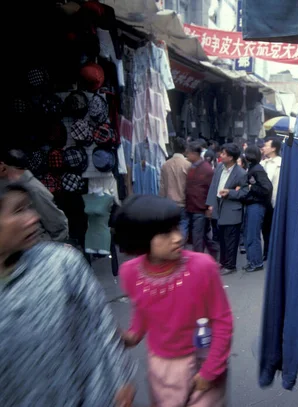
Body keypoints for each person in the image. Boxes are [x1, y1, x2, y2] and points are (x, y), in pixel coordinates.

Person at [0, 183, 136, 407]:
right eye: (18, 211)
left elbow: (101, 324)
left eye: (29, 208)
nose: (33, 218)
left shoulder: (61, 263)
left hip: (89, 396)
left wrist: (119, 379)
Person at [114, 195, 233, 406]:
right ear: (140, 238)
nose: (178, 237)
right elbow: (143, 312)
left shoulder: (203, 266)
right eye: (166, 233)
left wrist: (211, 370)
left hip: (203, 360)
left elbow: (222, 320)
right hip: (163, 369)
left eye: (177, 228)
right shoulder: (130, 272)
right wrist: (130, 336)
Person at [0, 148, 68, 242]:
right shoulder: (8, 186)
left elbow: (58, 227)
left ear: (3, 167)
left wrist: (46, 251)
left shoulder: (35, 190)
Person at [207, 143, 249, 275]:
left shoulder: (240, 173)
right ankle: (223, 262)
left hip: (232, 208)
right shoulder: (219, 167)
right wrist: (210, 204)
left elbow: (245, 192)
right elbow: (213, 186)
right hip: (219, 207)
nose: (221, 155)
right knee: (221, 238)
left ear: (231, 157)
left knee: (231, 239)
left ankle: (231, 265)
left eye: (224, 154)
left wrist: (230, 193)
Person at [240, 145, 273, 272]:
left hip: (256, 205)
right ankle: (253, 261)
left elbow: (267, 188)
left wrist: (251, 188)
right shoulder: (254, 168)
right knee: (250, 234)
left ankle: (256, 262)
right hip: (254, 204)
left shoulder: (257, 170)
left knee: (252, 235)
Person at [185, 141, 219, 259]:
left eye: (188, 153)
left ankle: (198, 261)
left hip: (200, 208)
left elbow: (211, 189)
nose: (187, 155)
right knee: (202, 235)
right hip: (191, 206)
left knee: (197, 237)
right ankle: (214, 252)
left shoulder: (206, 169)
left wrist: (210, 207)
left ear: (195, 154)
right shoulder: (191, 168)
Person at [159, 137, 191, 240]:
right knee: (183, 226)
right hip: (183, 202)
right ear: (185, 149)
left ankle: (172, 249)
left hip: (168, 202)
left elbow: (162, 187)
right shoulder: (188, 165)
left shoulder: (165, 165)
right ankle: (179, 248)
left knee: (171, 228)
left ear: (173, 148)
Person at [260, 137, 282, 261]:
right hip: (265, 201)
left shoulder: (280, 163)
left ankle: (275, 253)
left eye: (266, 145)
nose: (263, 148)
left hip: (275, 201)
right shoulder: (263, 163)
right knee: (265, 228)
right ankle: (267, 252)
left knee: (275, 229)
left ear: (273, 148)